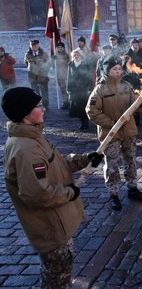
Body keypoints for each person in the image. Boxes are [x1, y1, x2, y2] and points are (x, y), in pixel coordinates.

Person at [2, 87, 103, 288]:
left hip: (55, 223)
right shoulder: (26, 148)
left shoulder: (32, 137)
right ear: (25, 114)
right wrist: (70, 192)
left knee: (57, 273)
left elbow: (55, 164)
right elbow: (38, 194)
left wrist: (83, 160)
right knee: (57, 276)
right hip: (50, 227)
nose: (44, 109)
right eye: (39, 106)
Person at [86, 56, 142, 210]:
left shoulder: (126, 86)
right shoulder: (100, 89)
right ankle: (113, 193)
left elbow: (135, 104)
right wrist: (110, 124)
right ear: (107, 71)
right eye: (115, 69)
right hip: (111, 133)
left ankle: (132, 188)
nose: (118, 71)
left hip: (128, 130)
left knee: (130, 160)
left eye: (120, 68)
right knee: (112, 164)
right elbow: (91, 110)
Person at [67, 49, 93, 130]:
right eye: (74, 55)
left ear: (81, 55)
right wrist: (68, 89)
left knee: (85, 106)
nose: (76, 56)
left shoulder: (86, 64)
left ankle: (86, 122)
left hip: (84, 88)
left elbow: (89, 77)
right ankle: (82, 122)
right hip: (75, 89)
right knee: (78, 107)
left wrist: (89, 88)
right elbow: (69, 77)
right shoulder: (70, 64)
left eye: (77, 54)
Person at [24, 40, 50, 108]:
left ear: (38, 46)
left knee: (44, 91)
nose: (34, 47)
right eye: (32, 45)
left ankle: (45, 105)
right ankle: (38, 105)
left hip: (42, 76)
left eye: (36, 45)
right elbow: (26, 63)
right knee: (35, 92)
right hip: (33, 76)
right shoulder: (27, 54)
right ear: (30, 46)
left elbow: (47, 64)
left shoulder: (44, 54)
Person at [54, 42, 71, 109]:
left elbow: (67, 64)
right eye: (58, 47)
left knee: (67, 90)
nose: (60, 48)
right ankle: (65, 102)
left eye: (61, 47)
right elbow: (52, 66)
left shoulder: (67, 55)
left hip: (66, 75)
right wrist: (53, 60)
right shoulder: (56, 56)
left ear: (64, 48)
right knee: (62, 90)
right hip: (59, 76)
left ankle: (69, 102)